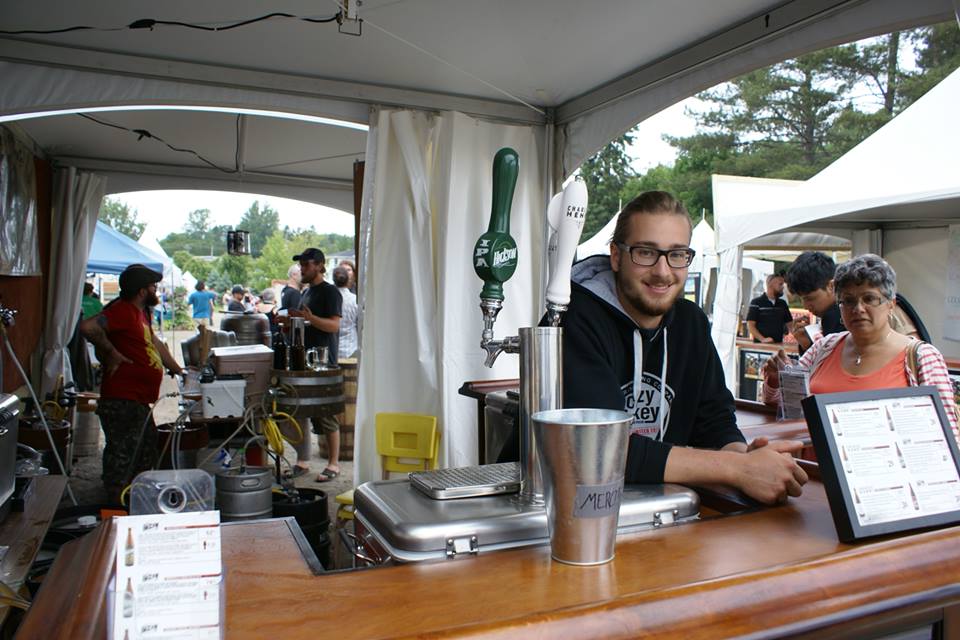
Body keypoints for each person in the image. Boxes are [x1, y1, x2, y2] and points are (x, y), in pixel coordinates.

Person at [562, 191, 807, 505]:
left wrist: (745, 455)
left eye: (677, 254)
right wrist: (737, 469)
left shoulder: (691, 322)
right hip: (572, 511)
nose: (663, 271)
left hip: (657, 510)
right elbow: (600, 449)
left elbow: (714, 421)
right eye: (646, 252)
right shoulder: (573, 320)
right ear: (616, 256)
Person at [763, 254, 959, 438]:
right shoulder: (823, 348)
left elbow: (948, 435)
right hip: (813, 471)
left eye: (869, 298)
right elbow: (781, 403)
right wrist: (775, 378)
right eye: (848, 301)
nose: (858, 309)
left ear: (891, 304)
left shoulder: (922, 357)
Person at [80, 264, 185, 503]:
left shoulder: (140, 313)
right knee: (123, 456)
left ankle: (134, 501)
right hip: (122, 398)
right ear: (141, 290)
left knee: (145, 449)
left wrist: (178, 369)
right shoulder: (122, 310)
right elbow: (87, 327)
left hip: (137, 399)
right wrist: (111, 352)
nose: (155, 290)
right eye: (153, 286)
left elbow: (155, 343)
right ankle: (114, 508)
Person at [292, 248, 343, 482]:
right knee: (301, 410)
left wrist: (310, 319)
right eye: (301, 264)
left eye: (306, 264)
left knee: (327, 414)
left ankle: (334, 464)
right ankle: (303, 460)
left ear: (320, 265)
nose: (302, 268)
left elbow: (334, 326)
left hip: (325, 361)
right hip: (306, 360)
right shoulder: (307, 292)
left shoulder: (330, 292)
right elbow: (307, 322)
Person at [784, 251, 845, 354]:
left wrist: (808, 347)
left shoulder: (842, 318)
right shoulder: (833, 316)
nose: (806, 306)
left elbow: (827, 366)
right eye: (801, 299)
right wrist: (807, 345)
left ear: (831, 286)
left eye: (810, 298)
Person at [746, 273, 793, 343]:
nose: (783, 287)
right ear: (771, 285)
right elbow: (750, 325)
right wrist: (763, 339)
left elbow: (790, 325)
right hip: (760, 348)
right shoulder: (756, 302)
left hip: (778, 346)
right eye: (780, 284)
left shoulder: (782, 304)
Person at [333, 265, 359, 358]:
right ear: (348, 280)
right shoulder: (355, 299)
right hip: (351, 348)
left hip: (333, 349)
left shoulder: (329, 299)